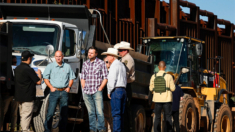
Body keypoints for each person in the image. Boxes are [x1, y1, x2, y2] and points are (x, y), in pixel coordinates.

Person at [43, 51, 76, 132]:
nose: (58, 58)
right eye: (56, 56)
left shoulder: (67, 66)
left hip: (64, 92)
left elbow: (72, 78)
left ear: (63, 57)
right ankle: (47, 130)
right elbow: (45, 78)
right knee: (50, 112)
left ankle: (62, 130)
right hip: (54, 92)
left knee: (63, 114)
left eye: (60, 56)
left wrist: (69, 87)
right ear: (54, 57)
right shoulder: (50, 66)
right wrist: (50, 87)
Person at [81, 46, 108, 132]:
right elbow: (83, 77)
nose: (89, 54)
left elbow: (105, 77)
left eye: (91, 53)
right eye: (89, 52)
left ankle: (101, 129)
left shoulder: (101, 63)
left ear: (96, 54)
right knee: (91, 112)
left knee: (99, 111)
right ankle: (92, 129)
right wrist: (84, 87)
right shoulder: (85, 63)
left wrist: (100, 88)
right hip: (87, 91)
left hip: (97, 91)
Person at [14, 51, 42, 132]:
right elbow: (38, 82)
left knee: (22, 116)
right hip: (28, 97)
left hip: (19, 96)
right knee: (26, 116)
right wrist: (39, 74)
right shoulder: (29, 69)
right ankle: (25, 130)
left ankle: (24, 129)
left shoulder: (17, 69)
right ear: (29, 58)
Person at [101, 48, 127, 132]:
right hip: (123, 90)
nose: (107, 57)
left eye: (108, 55)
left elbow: (112, 80)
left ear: (112, 56)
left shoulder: (113, 66)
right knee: (121, 114)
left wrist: (109, 91)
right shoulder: (121, 65)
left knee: (116, 114)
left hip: (116, 90)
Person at [149, 61, 175, 132]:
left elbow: (151, 88)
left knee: (157, 117)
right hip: (167, 100)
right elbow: (173, 88)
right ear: (165, 67)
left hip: (157, 100)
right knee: (168, 117)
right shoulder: (169, 76)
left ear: (158, 67)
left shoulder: (153, 76)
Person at [117, 41, 135, 132]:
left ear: (125, 50)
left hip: (126, 85)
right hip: (124, 85)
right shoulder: (123, 59)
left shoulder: (127, 59)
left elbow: (124, 74)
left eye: (120, 50)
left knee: (125, 110)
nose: (119, 52)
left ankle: (127, 129)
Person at [0, 56, 19, 132]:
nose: (14, 64)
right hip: (7, 94)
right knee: (3, 113)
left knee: (14, 113)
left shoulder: (16, 69)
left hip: (14, 94)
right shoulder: (4, 70)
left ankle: (12, 129)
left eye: (15, 62)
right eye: (13, 62)